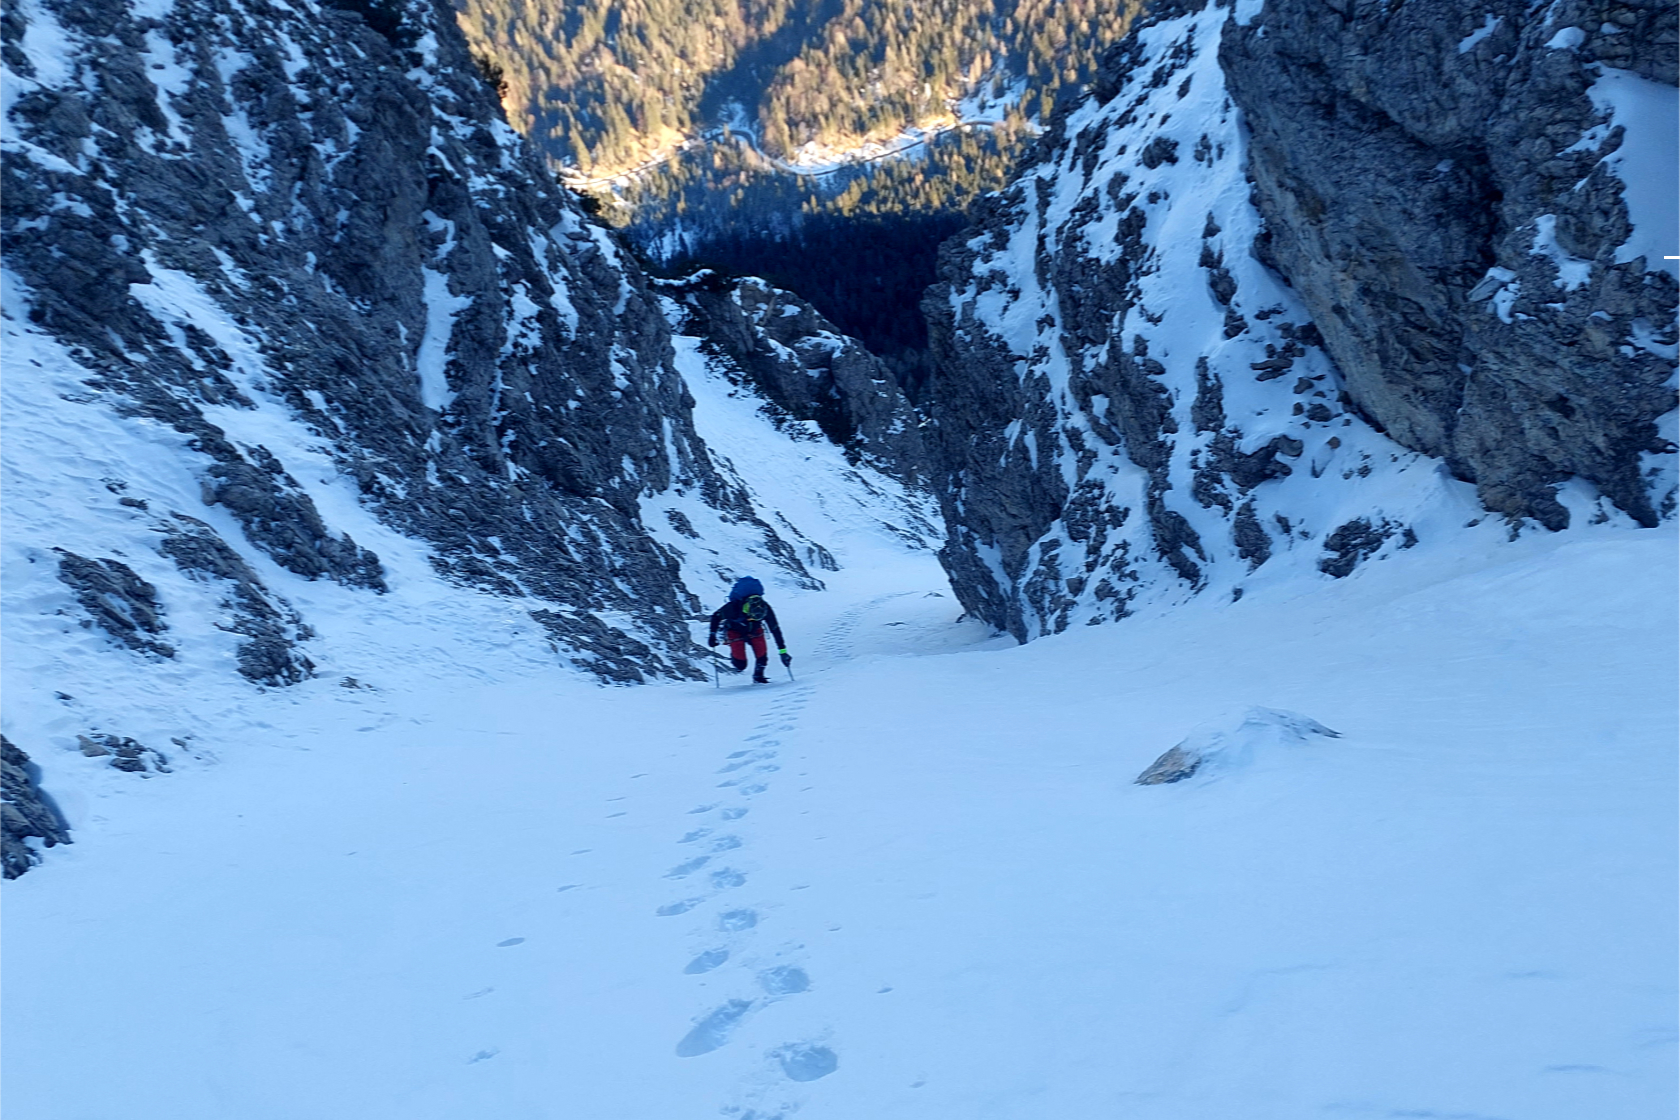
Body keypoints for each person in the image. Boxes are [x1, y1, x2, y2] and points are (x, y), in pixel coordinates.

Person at [707, 576, 792, 684]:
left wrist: (783, 652)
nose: (752, 619)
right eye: (751, 618)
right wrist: (712, 634)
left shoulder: (765, 609)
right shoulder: (733, 608)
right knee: (740, 665)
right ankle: (736, 660)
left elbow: (775, 629)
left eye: (757, 619)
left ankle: (758, 676)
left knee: (762, 658)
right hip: (735, 630)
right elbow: (716, 616)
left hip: (755, 630)